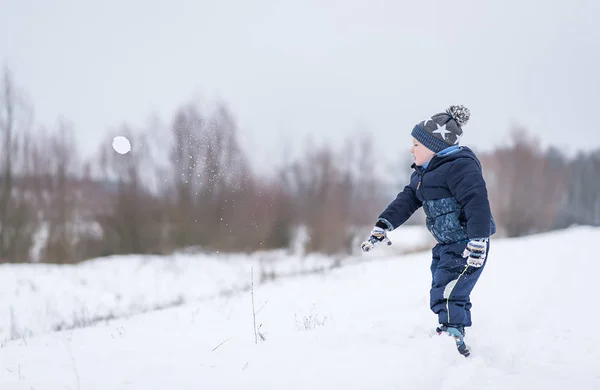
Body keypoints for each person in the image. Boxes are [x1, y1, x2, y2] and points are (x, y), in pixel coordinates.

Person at [361, 105, 496, 357]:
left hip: (467, 243)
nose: (411, 149)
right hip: (446, 244)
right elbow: (407, 200)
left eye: (416, 144)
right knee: (443, 286)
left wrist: (478, 240)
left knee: (448, 290)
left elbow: (477, 202)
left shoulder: (459, 167)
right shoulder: (424, 175)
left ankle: (452, 335)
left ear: (434, 146)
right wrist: (383, 224)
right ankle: (453, 332)